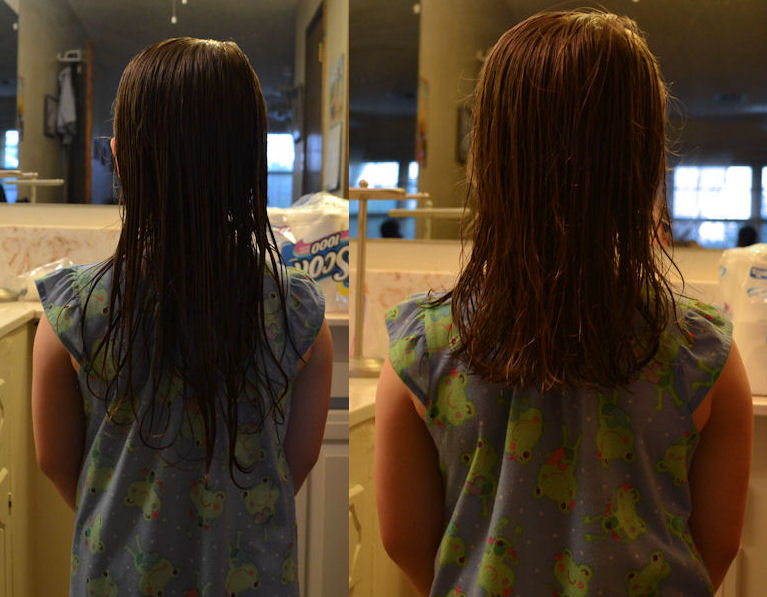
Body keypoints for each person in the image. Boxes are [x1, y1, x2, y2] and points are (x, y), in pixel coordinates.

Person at [375, 11, 753, 597]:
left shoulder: (423, 350)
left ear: (489, 159)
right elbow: (718, 548)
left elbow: (404, 540)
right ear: (641, 163)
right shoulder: (703, 356)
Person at [31, 38, 332, 596]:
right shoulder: (298, 314)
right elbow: (294, 465)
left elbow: (55, 462)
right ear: (252, 161)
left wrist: (128, 517)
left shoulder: (71, 313)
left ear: (119, 157)